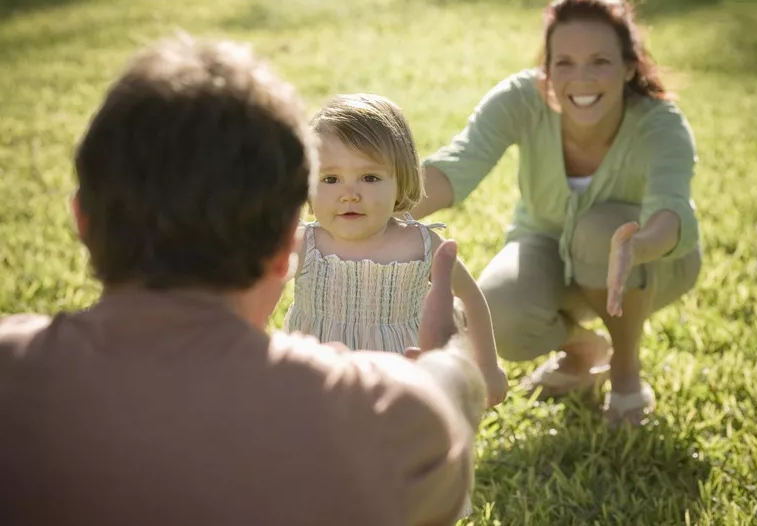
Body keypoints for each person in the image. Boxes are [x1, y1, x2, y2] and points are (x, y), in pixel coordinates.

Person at [0, 35, 486, 526]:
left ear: (81, 221)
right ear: (286, 245)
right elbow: (441, 418)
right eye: (332, 179)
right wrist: (454, 364)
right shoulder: (377, 418)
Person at [411, 0, 702, 425]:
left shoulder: (661, 125)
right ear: (546, 69)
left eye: (599, 61)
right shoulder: (521, 99)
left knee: (601, 233)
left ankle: (626, 370)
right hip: (547, 246)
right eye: (564, 62)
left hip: (650, 263)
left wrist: (637, 246)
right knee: (497, 312)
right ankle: (584, 350)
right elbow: (457, 166)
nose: (581, 78)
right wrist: (375, 210)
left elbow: (671, 211)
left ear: (628, 67)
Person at [284, 93, 509, 407]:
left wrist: (487, 366)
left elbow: (470, 296)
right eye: (331, 179)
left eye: (369, 177)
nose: (349, 194)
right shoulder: (304, 245)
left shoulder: (421, 246)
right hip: (320, 380)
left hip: (403, 379)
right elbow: (249, 293)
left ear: (401, 182)